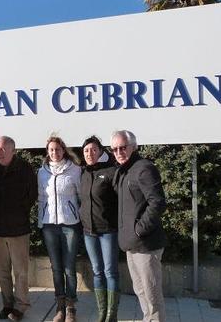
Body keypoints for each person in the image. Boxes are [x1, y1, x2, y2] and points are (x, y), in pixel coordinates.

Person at [111, 130, 167, 322]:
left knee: (151, 294)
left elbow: (157, 202)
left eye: (123, 147)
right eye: (115, 149)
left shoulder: (143, 168)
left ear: (134, 147)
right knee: (141, 290)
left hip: (146, 243)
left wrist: (139, 229)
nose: (119, 152)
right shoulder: (124, 170)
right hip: (131, 243)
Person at [0, 136, 37, 321]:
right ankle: (7, 304)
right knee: (2, 272)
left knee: (21, 271)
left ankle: (21, 305)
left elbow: (32, 194)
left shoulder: (24, 169)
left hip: (18, 229)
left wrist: (18, 211)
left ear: (12, 150)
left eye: (3, 149)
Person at [37, 136, 81, 322]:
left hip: (70, 224)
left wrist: (77, 214)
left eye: (57, 149)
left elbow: (81, 196)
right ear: (47, 152)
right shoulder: (41, 172)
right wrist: (41, 221)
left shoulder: (75, 170)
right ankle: (60, 305)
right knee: (56, 268)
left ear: (63, 150)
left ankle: (71, 306)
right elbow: (40, 198)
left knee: (69, 268)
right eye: (51, 150)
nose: (54, 153)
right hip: (49, 225)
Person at [79, 136, 120, 322]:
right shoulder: (83, 173)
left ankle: (111, 315)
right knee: (97, 271)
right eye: (86, 150)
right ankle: (101, 312)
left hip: (108, 231)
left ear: (100, 151)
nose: (90, 154)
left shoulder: (111, 171)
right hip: (89, 232)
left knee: (110, 271)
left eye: (94, 150)